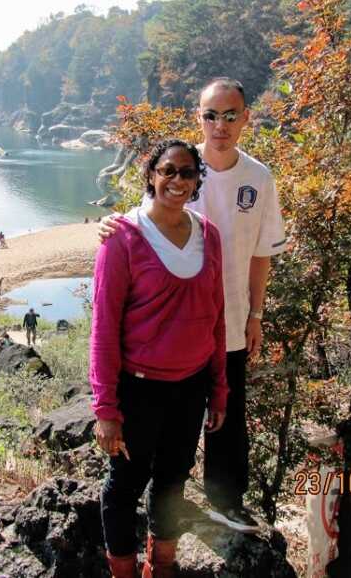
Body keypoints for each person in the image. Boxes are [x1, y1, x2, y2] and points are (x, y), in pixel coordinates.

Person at [99, 78, 287, 534]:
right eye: (210, 115)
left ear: (246, 117)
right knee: (169, 421)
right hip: (170, 328)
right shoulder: (180, 166)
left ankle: (225, 501)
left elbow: (262, 252)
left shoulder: (258, 178)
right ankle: (163, 513)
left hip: (233, 316)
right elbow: (139, 224)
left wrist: (257, 314)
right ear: (198, 117)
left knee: (229, 411)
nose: (220, 124)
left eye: (230, 114)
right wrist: (110, 223)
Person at [91, 139, 228, 578]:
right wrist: (105, 408)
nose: (177, 180)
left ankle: (162, 565)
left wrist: (219, 388)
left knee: (173, 481)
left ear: (196, 181)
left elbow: (217, 316)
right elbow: (104, 328)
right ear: (151, 174)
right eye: (168, 170)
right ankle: (124, 571)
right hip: (139, 389)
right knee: (125, 485)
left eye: (187, 173)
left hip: (190, 388)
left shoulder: (209, 234)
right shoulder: (123, 238)